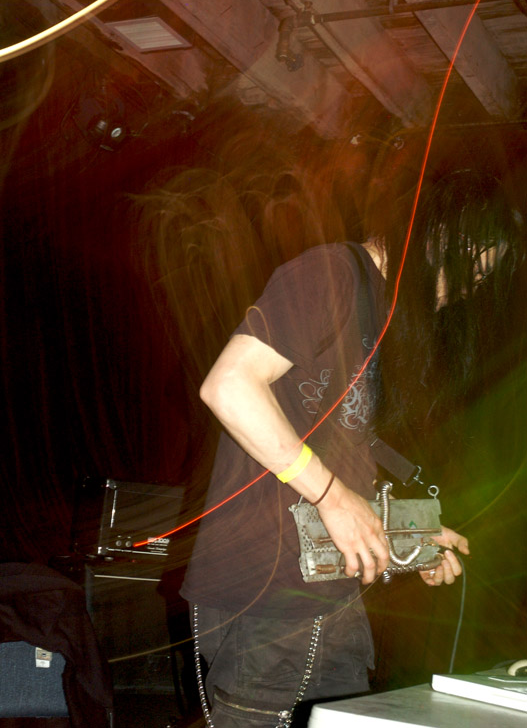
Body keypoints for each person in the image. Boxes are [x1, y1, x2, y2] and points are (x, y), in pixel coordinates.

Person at [180, 169, 524, 727]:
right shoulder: (331, 274)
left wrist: (408, 538)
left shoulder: (383, 313)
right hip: (271, 591)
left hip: (325, 591)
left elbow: (339, 460)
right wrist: (334, 498)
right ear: (445, 235)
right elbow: (229, 386)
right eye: (476, 272)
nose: (471, 291)